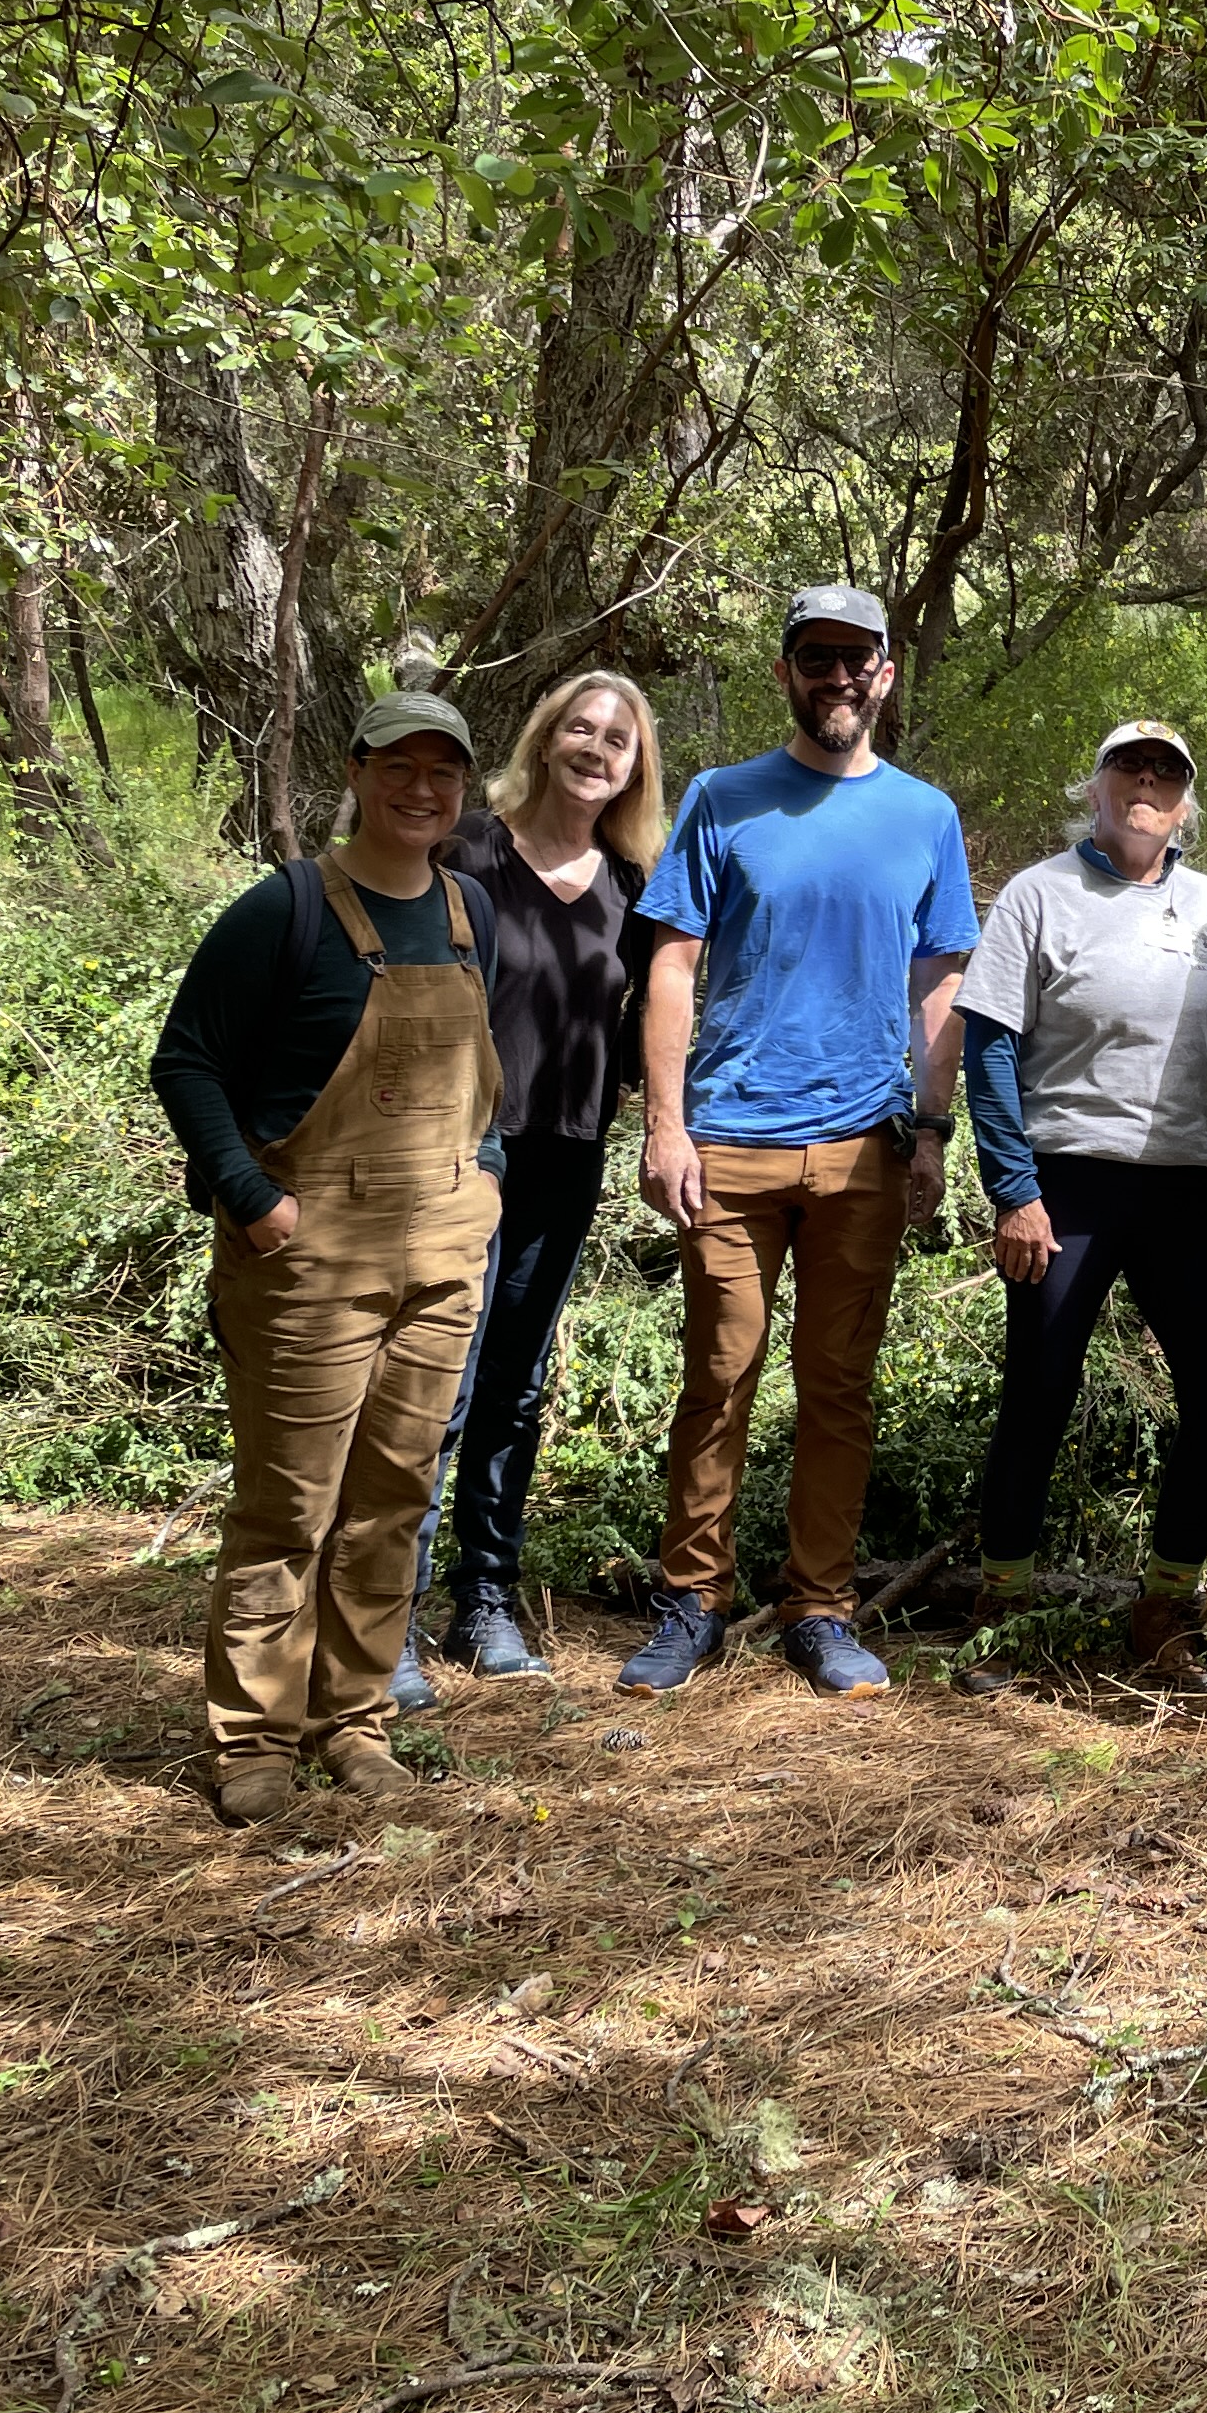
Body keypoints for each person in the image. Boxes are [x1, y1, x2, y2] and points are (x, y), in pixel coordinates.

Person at [614, 585, 976, 1701]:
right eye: (815, 657)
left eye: (855, 659)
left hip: (864, 1147)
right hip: (729, 1143)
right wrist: (664, 1125)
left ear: (884, 674)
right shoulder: (725, 801)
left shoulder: (925, 815)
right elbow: (670, 966)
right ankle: (694, 1600)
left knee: (838, 1386)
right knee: (719, 1372)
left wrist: (930, 1134)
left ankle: (819, 1607)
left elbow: (940, 983)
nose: (837, 676)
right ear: (786, 672)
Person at [149, 692, 505, 1828]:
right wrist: (251, 1201)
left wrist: (486, 1177)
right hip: (311, 1255)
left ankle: (354, 1725)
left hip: (444, 1245)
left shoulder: (468, 912)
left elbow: (488, 1078)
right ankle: (251, 1741)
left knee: (393, 1497)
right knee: (288, 1508)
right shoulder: (287, 908)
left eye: (442, 773)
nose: (422, 790)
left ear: (463, 789)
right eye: (399, 767)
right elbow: (187, 1061)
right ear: (354, 773)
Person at [953, 719, 1207, 1693]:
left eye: (1165, 774)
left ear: (1185, 801)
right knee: (1040, 1389)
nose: (1145, 784)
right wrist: (1014, 1190)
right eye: (1128, 767)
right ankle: (1000, 1611)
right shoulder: (1041, 896)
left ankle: (1163, 1609)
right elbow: (990, 1045)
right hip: (1069, 1182)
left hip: (1186, 1185)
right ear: (1094, 787)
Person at [385, 670, 665, 1709]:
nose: (596, 749)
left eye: (618, 741)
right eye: (580, 730)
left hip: (565, 1159)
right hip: (458, 1157)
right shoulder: (468, 854)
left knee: (518, 1384)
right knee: (436, 1387)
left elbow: (646, 1023)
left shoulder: (633, 885)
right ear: (547, 740)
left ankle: (485, 1601)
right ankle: (389, 1615)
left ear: (635, 768)